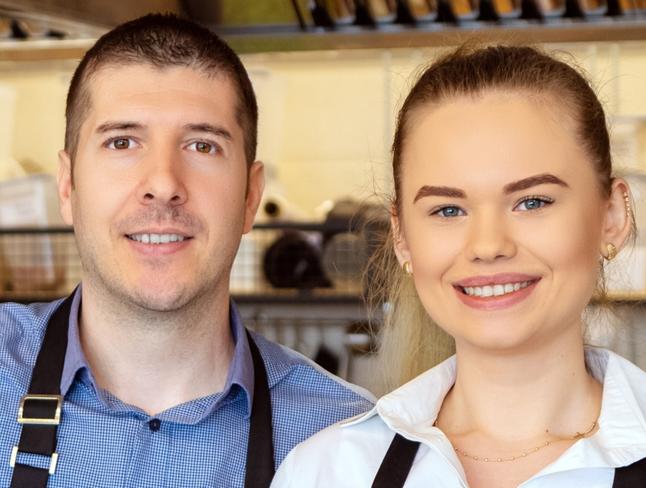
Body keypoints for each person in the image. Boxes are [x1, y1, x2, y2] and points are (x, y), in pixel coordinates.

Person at [0, 14, 373, 488]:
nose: (163, 184)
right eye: (122, 142)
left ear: (250, 196)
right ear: (68, 185)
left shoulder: (347, 445)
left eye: (202, 145)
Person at [272, 45, 646, 487]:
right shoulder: (331, 471)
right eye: (448, 210)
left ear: (613, 217)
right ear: (401, 237)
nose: (488, 246)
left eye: (532, 201)